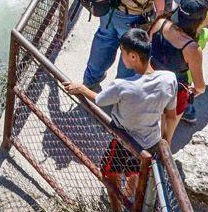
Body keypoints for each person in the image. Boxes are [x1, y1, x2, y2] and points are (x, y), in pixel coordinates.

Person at [65, 28, 178, 170]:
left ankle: (116, 192)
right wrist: (165, 142)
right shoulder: (169, 79)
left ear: (133, 56)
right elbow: (171, 117)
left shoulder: (122, 86)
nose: (121, 55)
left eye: (122, 52)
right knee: (137, 177)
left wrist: (82, 89)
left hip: (124, 142)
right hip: (151, 142)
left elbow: (100, 100)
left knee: (109, 174)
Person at [149, 0, 208, 139]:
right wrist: (197, 91)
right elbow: (200, 86)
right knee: (165, 137)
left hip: (151, 81)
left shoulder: (160, 22)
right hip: (174, 93)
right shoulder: (191, 48)